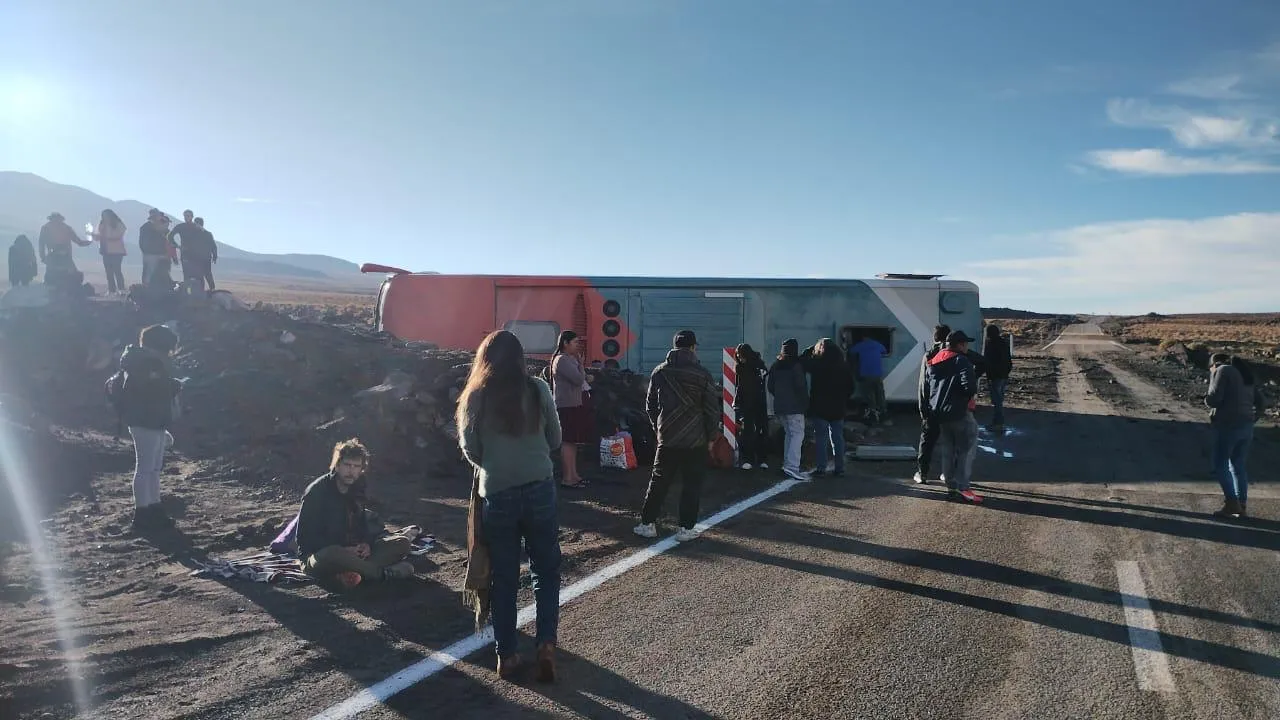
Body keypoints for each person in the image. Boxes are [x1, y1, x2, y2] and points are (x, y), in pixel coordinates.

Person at [457, 330, 562, 683]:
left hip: (498, 493)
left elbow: (470, 448)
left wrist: (494, 465)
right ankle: (545, 645)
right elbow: (556, 439)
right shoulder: (538, 389)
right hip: (539, 487)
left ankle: (507, 655)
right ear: (519, 358)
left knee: (503, 576)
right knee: (545, 570)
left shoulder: (475, 397)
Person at [634, 331, 719, 542]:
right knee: (691, 485)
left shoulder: (660, 372)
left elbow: (650, 405)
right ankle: (685, 529)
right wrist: (711, 436)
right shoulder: (702, 374)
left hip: (667, 437)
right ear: (693, 347)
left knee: (658, 482)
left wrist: (658, 428)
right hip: (696, 439)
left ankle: (647, 524)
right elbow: (711, 409)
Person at [298, 439, 417, 588]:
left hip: (353, 553)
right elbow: (304, 540)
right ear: (337, 465)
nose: (351, 471)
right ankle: (382, 574)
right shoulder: (317, 491)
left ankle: (352, 574)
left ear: (361, 469)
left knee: (402, 543)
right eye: (347, 465)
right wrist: (343, 550)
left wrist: (366, 544)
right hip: (320, 556)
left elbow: (362, 523)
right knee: (332, 553)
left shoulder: (358, 486)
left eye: (356, 466)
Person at [116, 324, 183, 529]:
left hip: (151, 420)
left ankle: (153, 507)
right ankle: (142, 513)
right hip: (145, 421)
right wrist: (172, 385)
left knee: (153, 469)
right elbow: (147, 391)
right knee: (145, 469)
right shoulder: (144, 363)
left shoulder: (142, 361)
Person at [923, 330, 982, 504]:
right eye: (966, 343)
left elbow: (928, 386)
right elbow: (969, 386)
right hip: (959, 411)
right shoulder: (961, 360)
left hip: (940, 413)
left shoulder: (934, 360)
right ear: (960, 345)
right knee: (966, 449)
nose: (967, 346)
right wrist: (966, 397)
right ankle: (964, 487)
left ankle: (951, 486)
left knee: (948, 450)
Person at [1205, 355, 1265, 518]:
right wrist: (1254, 418)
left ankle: (1232, 503)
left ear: (1214, 363)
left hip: (1228, 425)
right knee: (1237, 464)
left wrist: (1213, 376)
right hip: (1246, 426)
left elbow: (1214, 399)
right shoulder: (1244, 373)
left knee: (1220, 463)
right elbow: (1261, 402)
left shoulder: (1222, 370)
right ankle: (1241, 504)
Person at [806, 338, 854, 477]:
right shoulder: (843, 366)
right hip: (838, 406)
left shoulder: (817, 365)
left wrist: (809, 350)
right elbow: (851, 388)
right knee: (838, 438)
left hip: (820, 407)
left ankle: (821, 468)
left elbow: (803, 362)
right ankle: (839, 468)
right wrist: (843, 398)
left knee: (821, 438)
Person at [551, 331, 591, 488]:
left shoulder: (569, 359)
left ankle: (574, 475)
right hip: (566, 405)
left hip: (573, 403)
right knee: (568, 441)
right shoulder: (562, 360)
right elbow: (578, 379)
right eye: (575, 342)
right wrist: (581, 364)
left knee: (573, 441)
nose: (577, 345)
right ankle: (568, 478)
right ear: (565, 343)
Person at [768, 338, 811, 481]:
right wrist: (805, 404)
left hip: (780, 406)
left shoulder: (776, 365)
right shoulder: (796, 366)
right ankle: (792, 466)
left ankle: (787, 464)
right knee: (797, 435)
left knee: (789, 434)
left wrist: (780, 396)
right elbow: (801, 386)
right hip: (795, 407)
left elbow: (770, 386)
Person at [915, 325, 950, 484]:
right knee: (949, 441)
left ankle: (922, 473)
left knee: (927, 442)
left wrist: (922, 408)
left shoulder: (930, 355)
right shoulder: (955, 355)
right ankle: (947, 473)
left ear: (934, 337)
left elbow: (924, 384)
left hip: (932, 406)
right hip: (950, 406)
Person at [732, 344, 770, 470]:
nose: (739, 358)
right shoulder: (759, 366)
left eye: (740, 355)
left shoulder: (742, 368)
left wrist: (737, 402)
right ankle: (761, 459)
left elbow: (740, 386)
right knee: (759, 430)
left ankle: (750, 459)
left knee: (750, 431)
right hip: (758, 402)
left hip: (749, 403)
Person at [38, 212, 91, 290]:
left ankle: (67, 288)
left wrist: (86, 242)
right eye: (54, 219)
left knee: (70, 273)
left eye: (57, 219)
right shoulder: (46, 228)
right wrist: (43, 257)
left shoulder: (65, 228)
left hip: (64, 255)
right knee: (52, 275)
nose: (56, 221)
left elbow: (77, 241)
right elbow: (41, 243)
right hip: (54, 255)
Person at [848, 332, 890, 424]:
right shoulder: (878, 344)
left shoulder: (860, 345)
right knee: (880, 394)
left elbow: (851, 352)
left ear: (864, 338)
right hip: (877, 375)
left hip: (866, 374)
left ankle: (873, 413)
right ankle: (883, 412)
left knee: (869, 395)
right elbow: (884, 351)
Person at [983, 324, 1014, 429]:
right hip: (1003, 375)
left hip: (994, 376)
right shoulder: (1003, 343)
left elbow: (988, 362)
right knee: (999, 400)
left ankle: (998, 422)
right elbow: (1008, 360)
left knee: (997, 401)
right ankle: (998, 422)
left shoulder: (990, 344)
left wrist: (988, 375)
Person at [91, 210, 128, 295]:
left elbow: (118, 235)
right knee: (108, 271)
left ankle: (121, 289)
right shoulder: (102, 224)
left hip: (116, 251)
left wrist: (104, 236)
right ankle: (112, 290)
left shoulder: (118, 224)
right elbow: (99, 237)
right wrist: (94, 236)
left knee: (117, 270)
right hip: (105, 251)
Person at [139, 209, 172, 287]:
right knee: (149, 273)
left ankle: (158, 288)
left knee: (161, 272)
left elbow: (167, 241)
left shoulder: (162, 227)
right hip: (151, 254)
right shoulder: (146, 227)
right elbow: (142, 241)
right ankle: (147, 288)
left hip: (160, 254)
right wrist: (146, 251)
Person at [186, 217, 218, 294]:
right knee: (199, 275)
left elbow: (213, 246)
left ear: (199, 224)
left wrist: (214, 256)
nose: (195, 225)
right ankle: (201, 290)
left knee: (207, 274)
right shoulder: (193, 234)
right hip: (196, 259)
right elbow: (189, 246)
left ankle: (212, 289)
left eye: (196, 223)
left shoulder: (207, 234)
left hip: (205, 258)